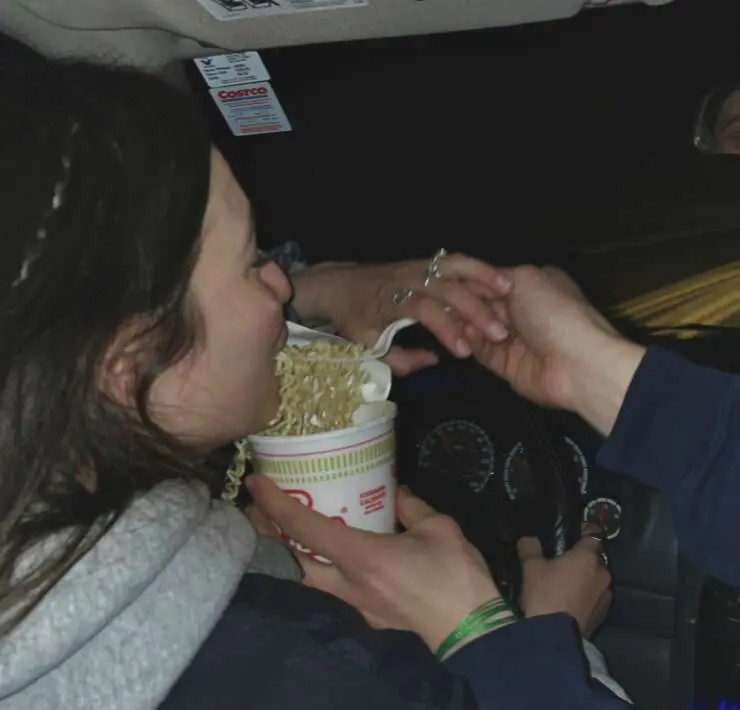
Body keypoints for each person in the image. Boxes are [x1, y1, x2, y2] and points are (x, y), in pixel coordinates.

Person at [0, 50, 629, 710]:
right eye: (253, 263)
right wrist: (534, 642)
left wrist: (324, 293)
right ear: (127, 365)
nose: (282, 284)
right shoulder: (318, 669)